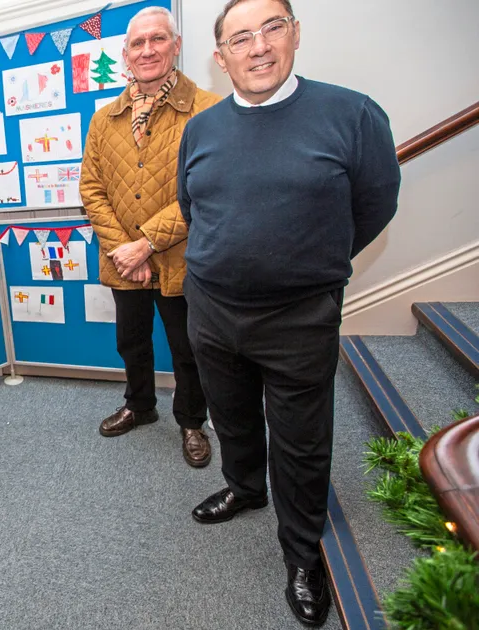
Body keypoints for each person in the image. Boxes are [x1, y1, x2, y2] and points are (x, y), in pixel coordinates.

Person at [178, 1, 401, 624]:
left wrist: (306, 261)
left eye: (272, 28)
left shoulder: (351, 114)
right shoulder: (200, 129)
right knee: (232, 415)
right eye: (239, 37)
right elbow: (193, 208)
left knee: (302, 443)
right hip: (212, 309)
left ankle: (302, 553)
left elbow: (375, 204)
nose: (258, 47)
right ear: (220, 57)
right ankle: (246, 488)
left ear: (296, 35)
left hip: (300, 316)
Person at [79, 6, 220, 467]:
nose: (147, 50)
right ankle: (139, 406)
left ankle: (192, 422)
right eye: (137, 43)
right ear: (125, 54)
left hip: (183, 259)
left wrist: (148, 242)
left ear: (176, 45)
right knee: (132, 340)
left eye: (157, 39)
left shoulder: (208, 110)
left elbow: (207, 189)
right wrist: (125, 248)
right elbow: (92, 188)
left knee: (187, 348)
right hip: (124, 261)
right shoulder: (105, 120)